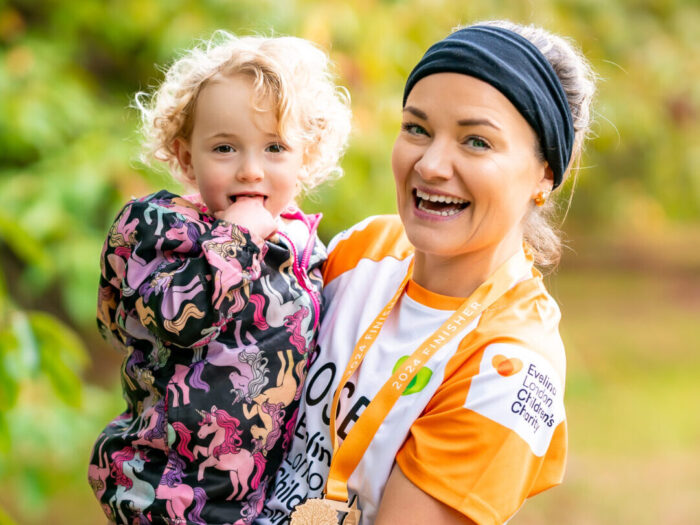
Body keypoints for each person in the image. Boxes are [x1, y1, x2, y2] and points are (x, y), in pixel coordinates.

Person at [261, 20, 596, 525]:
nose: (432, 164)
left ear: (545, 172)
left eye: (476, 142)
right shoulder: (365, 247)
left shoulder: (508, 368)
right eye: (417, 128)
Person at [87, 32, 351, 525]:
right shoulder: (160, 229)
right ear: (187, 158)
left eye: (275, 147)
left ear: (305, 156)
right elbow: (174, 320)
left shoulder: (302, 249)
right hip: (161, 489)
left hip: (250, 498)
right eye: (225, 148)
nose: (251, 171)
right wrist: (234, 239)